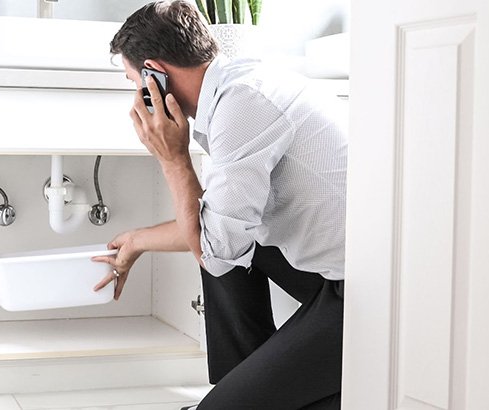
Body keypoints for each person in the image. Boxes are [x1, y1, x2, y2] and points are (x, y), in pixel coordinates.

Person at [90, 1, 347, 409]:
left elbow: (215, 251)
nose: (135, 94)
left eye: (133, 80)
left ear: (155, 73)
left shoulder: (242, 107)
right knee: (224, 234)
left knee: (218, 251)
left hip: (367, 296)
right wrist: (137, 241)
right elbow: (218, 230)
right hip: (337, 273)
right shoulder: (235, 88)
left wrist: (173, 158)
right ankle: (242, 382)